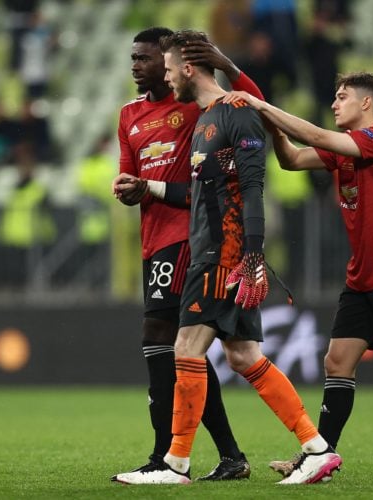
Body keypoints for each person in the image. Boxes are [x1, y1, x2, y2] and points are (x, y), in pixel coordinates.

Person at [112, 29, 340, 486]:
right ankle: (315, 449)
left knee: (186, 347)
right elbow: (202, 189)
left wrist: (252, 251)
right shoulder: (204, 120)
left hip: (223, 251)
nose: (168, 76)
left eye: (171, 67)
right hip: (216, 250)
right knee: (242, 355)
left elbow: (255, 185)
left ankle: (175, 463)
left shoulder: (234, 111)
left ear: (188, 68)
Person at [225, 71, 373, 483]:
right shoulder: (344, 152)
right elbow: (291, 159)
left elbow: (320, 138)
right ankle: (319, 458)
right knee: (337, 361)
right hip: (362, 275)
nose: (333, 104)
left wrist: (263, 106)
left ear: (366, 104)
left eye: (341, 97)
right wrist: (272, 126)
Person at [110, 27, 262, 484]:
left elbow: (253, 104)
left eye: (144, 57)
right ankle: (229, 454)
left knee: (161, 336)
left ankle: (166, 457)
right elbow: (127, 174)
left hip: (191, 238)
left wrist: (229, 64)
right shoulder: (130, 115)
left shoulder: (197, 106)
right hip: (154, 237)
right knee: (188, 350)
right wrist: (129, 189)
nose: (135, 64)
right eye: (132, 57)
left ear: (172, 62)